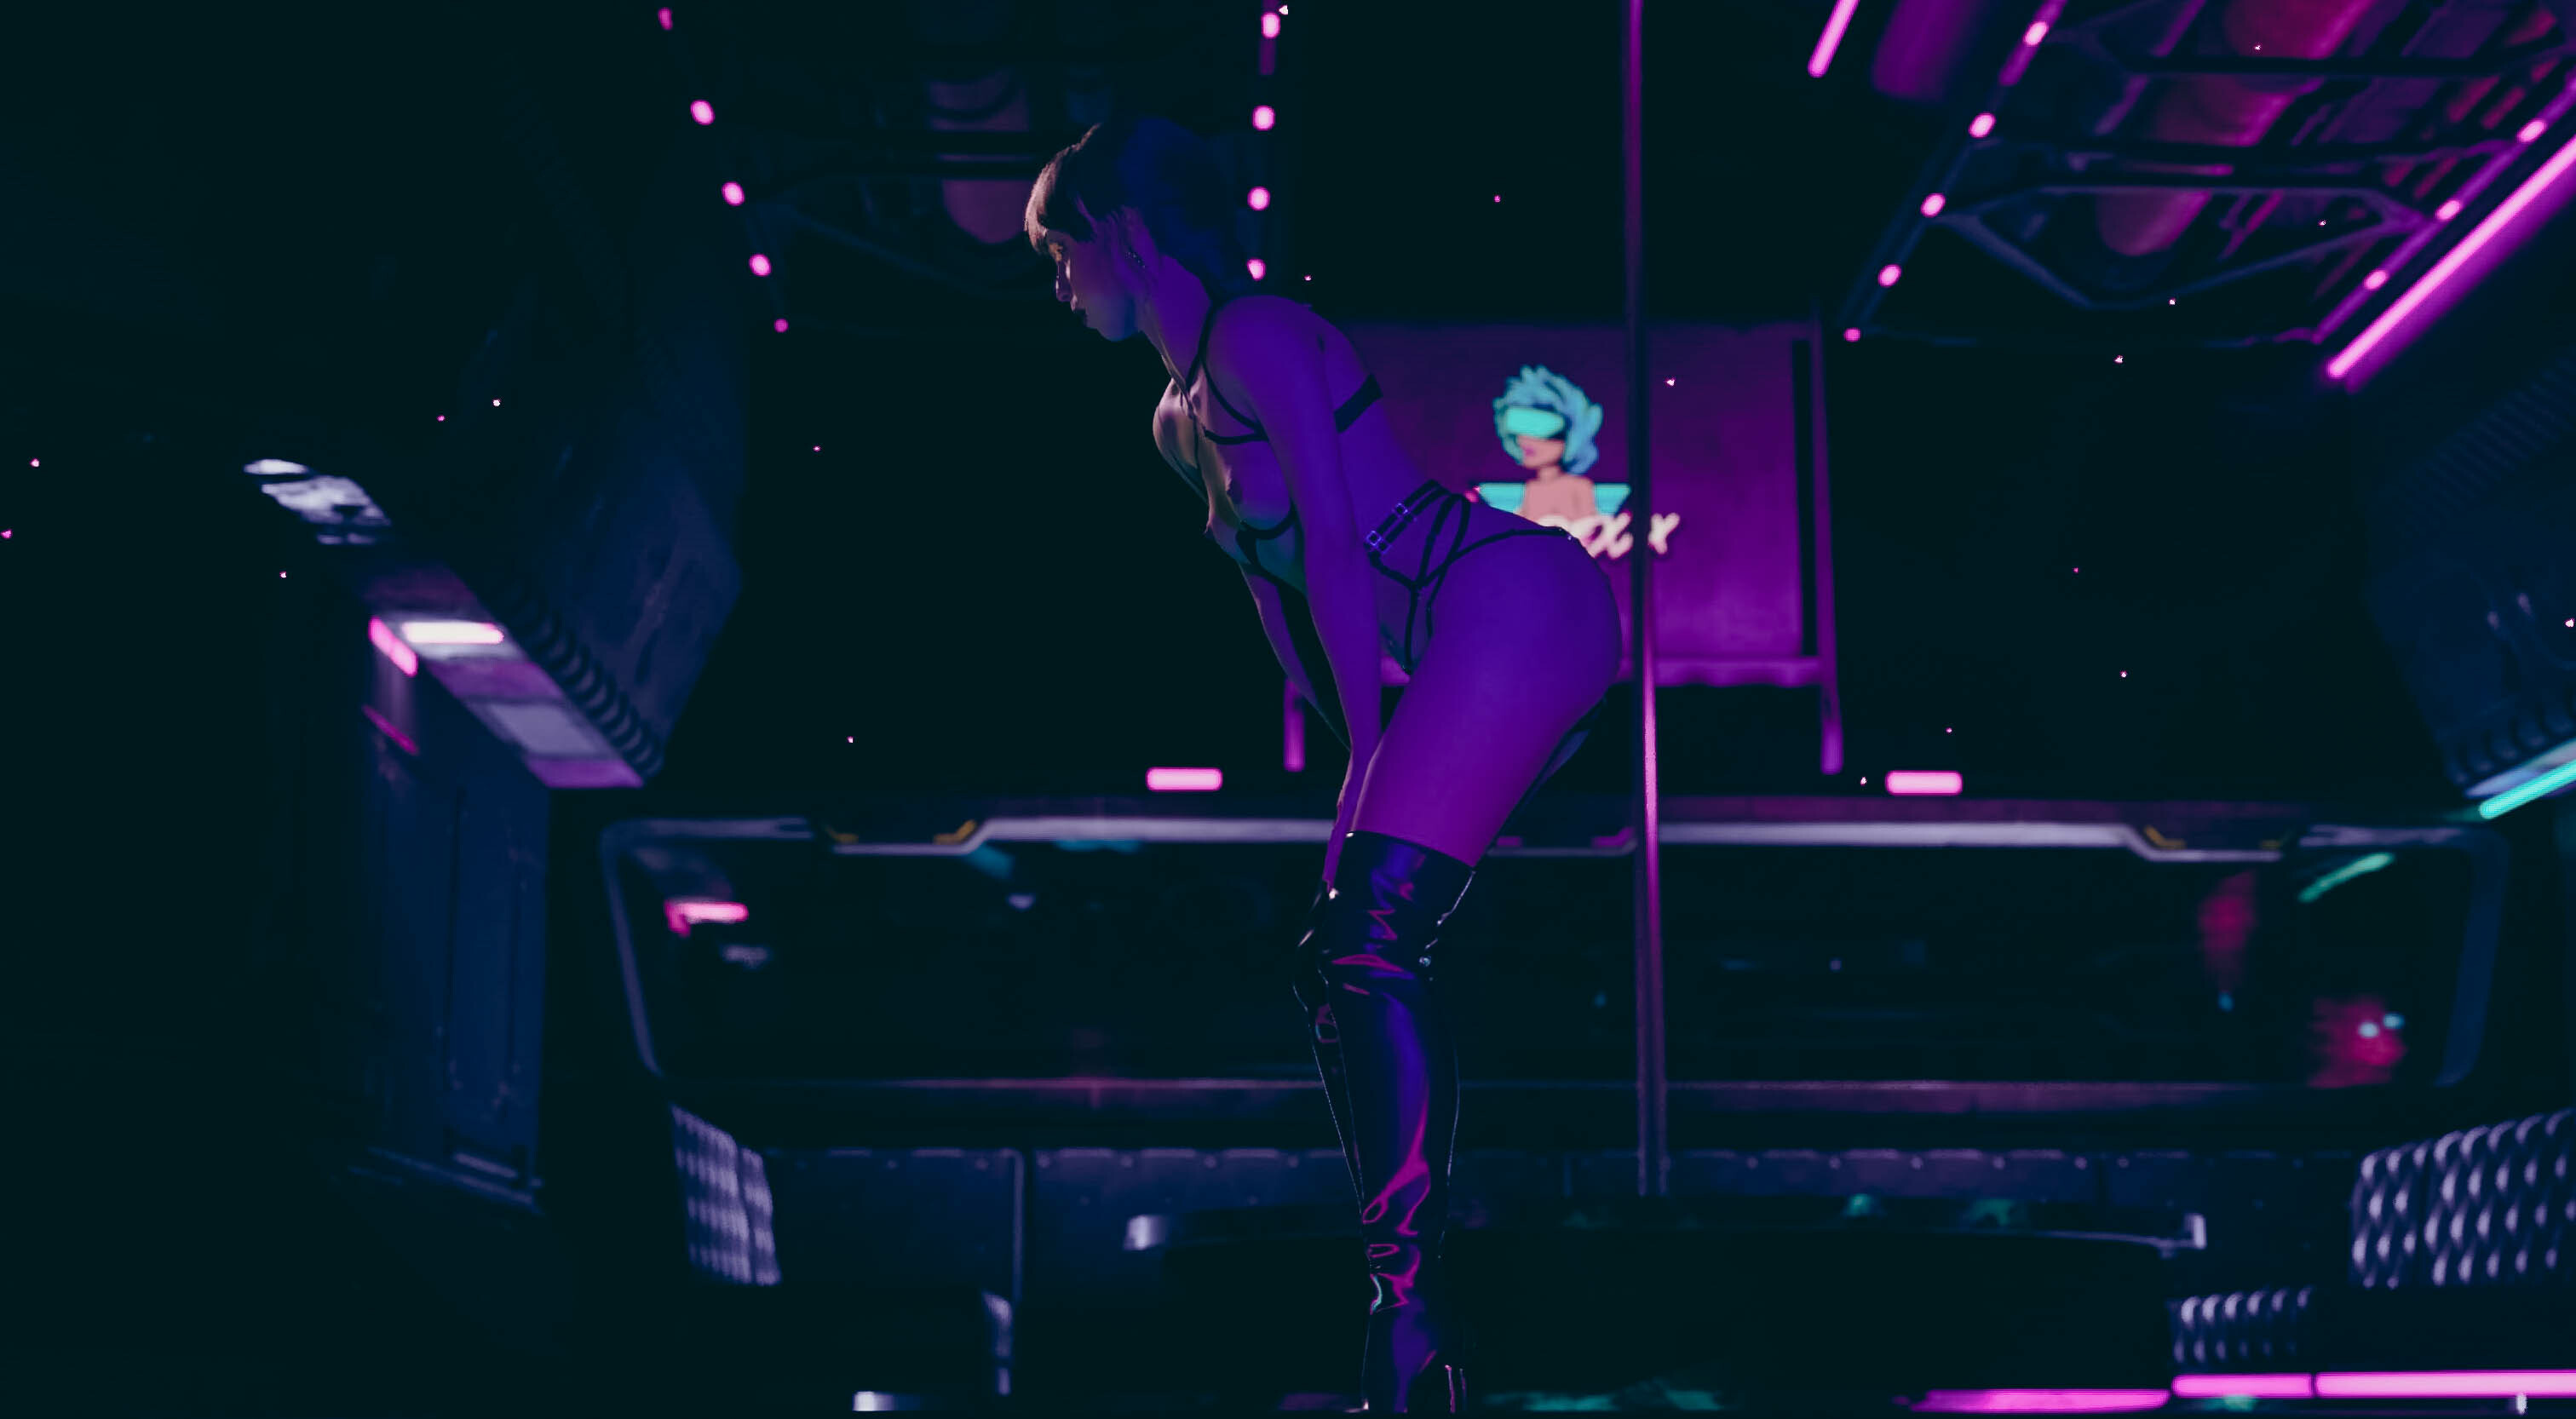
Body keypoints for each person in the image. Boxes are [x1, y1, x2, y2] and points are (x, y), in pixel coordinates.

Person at [1026, 115, 1621, 1413]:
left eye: (1063, 250)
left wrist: (1363, 757)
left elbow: (1340, 549)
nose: (1058, 280)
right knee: (1327, 961)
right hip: (1455, 639)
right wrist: (1351, 747)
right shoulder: (1174, 420)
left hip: (1510, 597)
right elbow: (1278, 601)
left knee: (1368, 940)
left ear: (1125, 230)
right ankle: (1404, 1308)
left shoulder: (1259, 334)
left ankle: (1409, 1320)